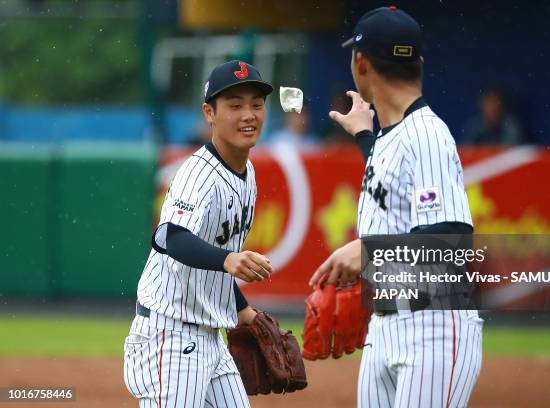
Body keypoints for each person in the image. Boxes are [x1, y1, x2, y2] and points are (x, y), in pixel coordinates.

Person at [309, 7, 483, 407]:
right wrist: (365, 136)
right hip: (388, 323)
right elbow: (392, 178)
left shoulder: (427, 133)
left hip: (434, 326)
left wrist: (367, 249)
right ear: (418, 63)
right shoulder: (395, 135)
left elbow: (453, 240)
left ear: (360, 61)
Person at [124, 60, 274, 407]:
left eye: (256, 104)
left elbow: (213, 267)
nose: (248, 114)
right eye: (235, 105)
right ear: (209, 113)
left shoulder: (247, 173)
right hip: (171, 335)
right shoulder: (197, 174)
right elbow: (168, 237)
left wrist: (245, 311)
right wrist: (229, 259)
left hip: (210, 337)